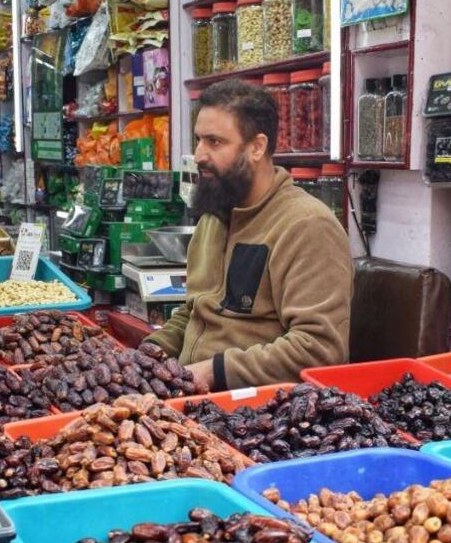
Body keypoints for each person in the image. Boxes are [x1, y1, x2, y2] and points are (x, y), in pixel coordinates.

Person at [143, 79, 352, 390]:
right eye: (198, 140)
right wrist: (147, 355)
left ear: (257, 147)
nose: (199, 155)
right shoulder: (215, 217)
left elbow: (319, 349)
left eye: (215, 142)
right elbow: (195, 312)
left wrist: (214, 371)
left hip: (259, 413)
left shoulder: (307, 226)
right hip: (192, 396)